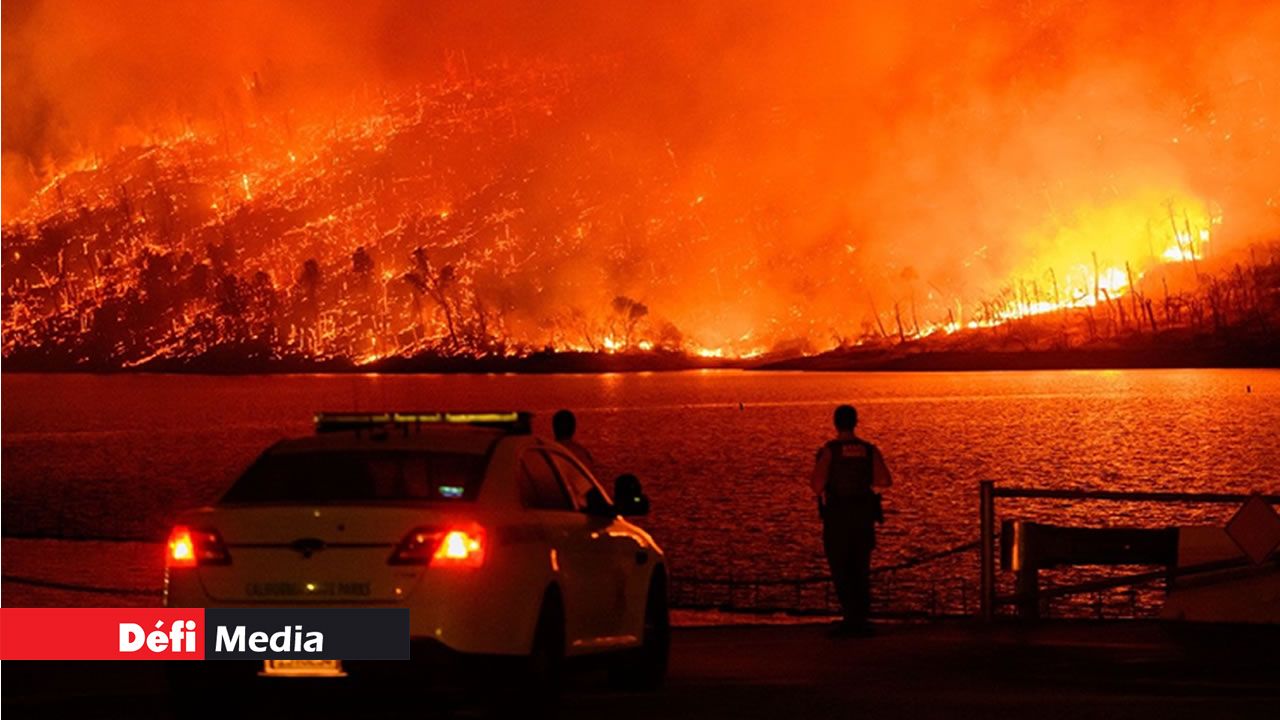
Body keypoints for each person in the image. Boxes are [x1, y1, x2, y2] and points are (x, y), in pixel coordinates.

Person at [811, 404, 892, 637]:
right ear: (856, 422)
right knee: (860, 567)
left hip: (838, 518)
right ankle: (860, 619)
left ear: (835, 423)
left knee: (841, 568)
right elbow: (884, 481)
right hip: (863, 518)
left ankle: (850, 618)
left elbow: (816, 486)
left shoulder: (829, 451)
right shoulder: (869, 449)